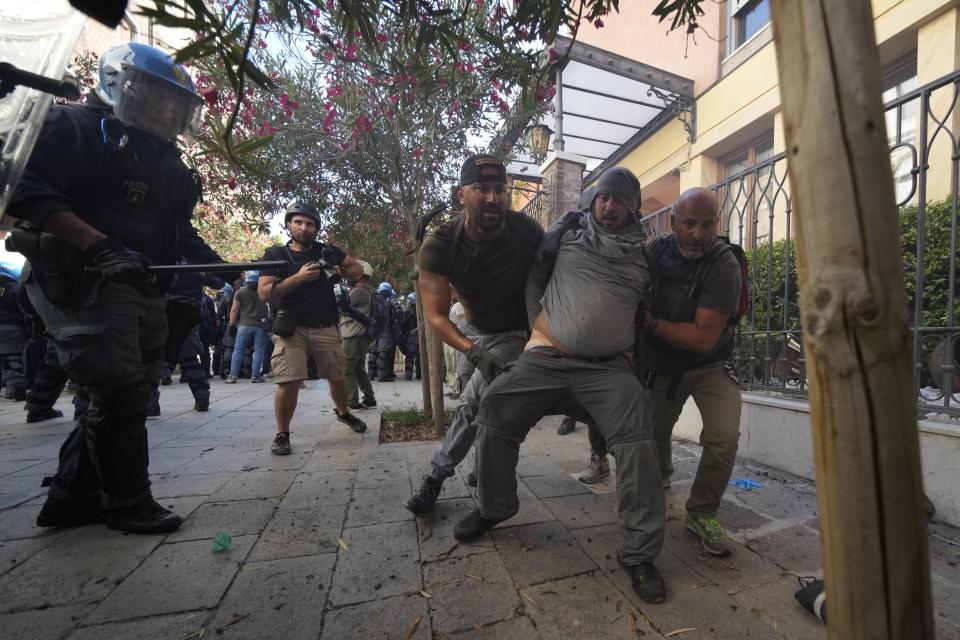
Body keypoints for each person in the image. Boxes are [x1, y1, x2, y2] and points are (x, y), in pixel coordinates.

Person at [8, 42, 239, 534]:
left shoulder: (166, 163)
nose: (168, 110)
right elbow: (24, 187)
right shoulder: (74, 127)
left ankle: (72, 496)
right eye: (159, 97)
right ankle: (127, 502)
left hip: (143, 284)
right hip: (82, 279)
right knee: (120, 387)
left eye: (178, 103)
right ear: (122, 84)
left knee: (117, 392)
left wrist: (234, 271)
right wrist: (96, 245)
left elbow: (181, 232)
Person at [454, 167, 668, 604]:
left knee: (638, 438)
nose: (609, 207)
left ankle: (640, 553)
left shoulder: (644, 257)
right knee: (494, 405)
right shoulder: (566, 236)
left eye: (619, 200)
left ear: (634, 207)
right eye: (602, 198)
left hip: (608, 370)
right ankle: (495, 507)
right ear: (592, 201)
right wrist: (539, 331)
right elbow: (536, 276)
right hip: (547, 360)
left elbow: (649, 308)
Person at [405, 153, 544, 516]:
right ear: (461, 194)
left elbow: (554, 274)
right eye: (481, 188)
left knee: (472, 402)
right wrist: (472, 350)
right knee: (479, 404)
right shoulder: (440, 244)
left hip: (514, 334)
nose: (493, 198)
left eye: (500, 189)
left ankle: (435, 478)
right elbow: (435, 315)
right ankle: (480, 463)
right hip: (470, 331)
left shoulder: (526, 231)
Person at [633, 186, 743, 558]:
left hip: (710, 362)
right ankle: (660, 478)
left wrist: (649, 324)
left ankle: (701, 513)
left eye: (707, 225)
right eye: (689, 224)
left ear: (717, 224)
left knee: (724, 437)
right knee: (651, 436)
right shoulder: (654, 253)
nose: (698, 234)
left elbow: (701, 339)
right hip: (661, 363)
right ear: (673, 222)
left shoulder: (724, 264)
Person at [258, 200, 366, 456]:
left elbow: (357, 269)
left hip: (324, 326)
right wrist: (298, 278)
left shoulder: (326, 250)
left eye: (309, 224)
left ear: (316, 228)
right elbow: (264, 293)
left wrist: (340, 267)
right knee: (289, 381)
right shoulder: (275, 254)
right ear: (288, 225)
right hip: (291, 328)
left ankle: (343, 413)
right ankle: (282, 433)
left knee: (338, 376)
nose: (304, 228)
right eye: (298, 222)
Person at [339, 260, 377, 410]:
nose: (348, 274)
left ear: (361, 275)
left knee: (345, 369)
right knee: (358, 369)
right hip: (357, 336)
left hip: (353, 336)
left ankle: (352, 402)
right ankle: (369, 398)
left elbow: (341, 306)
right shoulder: (360, 290)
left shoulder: (359, 291)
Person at [226, 270, 270, 384]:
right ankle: (255, 376)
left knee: (238, 350)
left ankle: (233, 376)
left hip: (243, 325)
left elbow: (234, 309)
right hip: (261, 325)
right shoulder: (264, 291)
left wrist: (231, 324)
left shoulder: (240, 291)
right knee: (259, 350)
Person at [0, 262, 28, 401]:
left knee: (4, 361)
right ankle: (15, 387)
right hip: (11, 328)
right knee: (13, 360)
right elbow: (23, 305)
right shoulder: (13, 286)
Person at [369, 281, 398, 382]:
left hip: (373, 329)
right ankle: (382, 376)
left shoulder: (372, 299)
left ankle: (371, 375)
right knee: (383, 353)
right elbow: (399, 314)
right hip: (386, 330)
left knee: (372, 352)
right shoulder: (391, 301)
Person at [399, 292, 421, 380]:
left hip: (411, 337)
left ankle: (409, 375)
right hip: (420, 336)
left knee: (410, 357)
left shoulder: (408, 312)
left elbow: (402, 324)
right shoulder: (422, 313)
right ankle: (420, 374)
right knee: (420, 356)